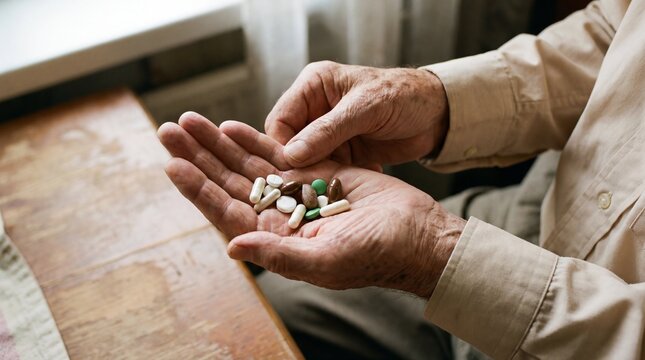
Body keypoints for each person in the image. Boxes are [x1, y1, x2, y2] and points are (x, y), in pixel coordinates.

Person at [157, 0, 644, 358]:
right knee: (267, 316)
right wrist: (437, 99)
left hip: (603, 325)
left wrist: (434, 254)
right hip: (540, 206)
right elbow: (613, 30)